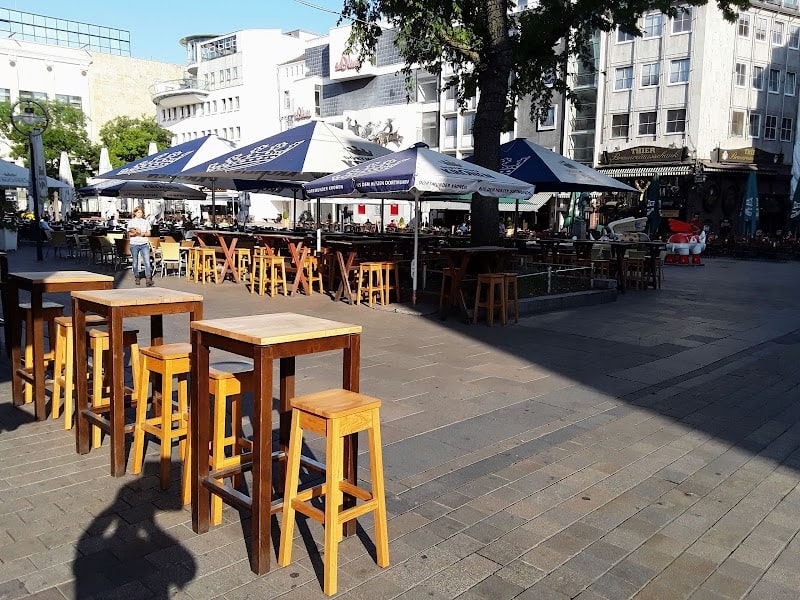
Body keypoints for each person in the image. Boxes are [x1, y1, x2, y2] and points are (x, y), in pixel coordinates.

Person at [127, 206, 153, 286]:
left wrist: (142, 234)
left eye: (141, 212)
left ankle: (148, 278)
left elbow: (149, 233)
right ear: (135, 213)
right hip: (134, 244)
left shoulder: (146, 222)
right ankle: (137, 276)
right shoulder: (131, 222)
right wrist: (135, 233)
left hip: (144, 243)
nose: (139, 214)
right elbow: (129, 234)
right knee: (135, 262)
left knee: (147, 262)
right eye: (138, 212)